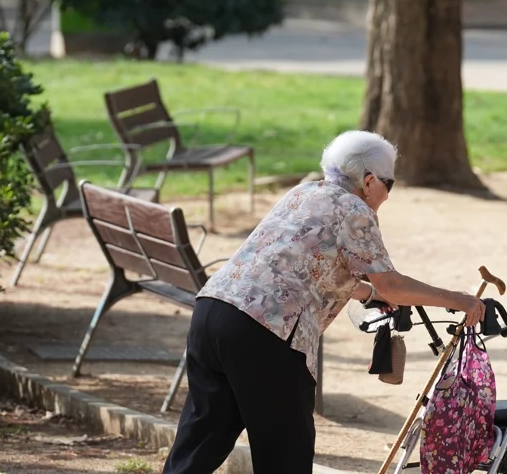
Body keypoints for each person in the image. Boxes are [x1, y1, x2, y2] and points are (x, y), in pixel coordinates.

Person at [161, 130, 487, 474]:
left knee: (201, 439)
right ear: (369, 180)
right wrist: (459, 300)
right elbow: (390, 283)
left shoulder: (303, 192)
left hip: (213, 310)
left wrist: (371, 294)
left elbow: (314, 270)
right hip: (266, 331)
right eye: (388, 184)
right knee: (285, 455)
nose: (387, 195)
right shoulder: (354, 209)